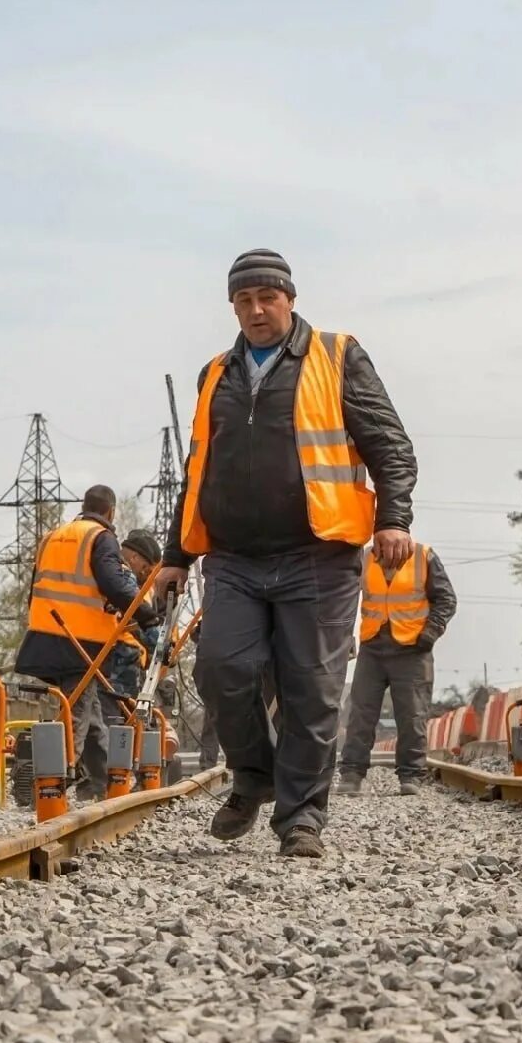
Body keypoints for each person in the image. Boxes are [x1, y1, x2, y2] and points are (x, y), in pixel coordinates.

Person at [153, 248, 417, 859]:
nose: (255, 310)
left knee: (312, 688)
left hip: (317, 555)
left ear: (289, 299)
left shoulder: (336, 354)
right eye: (243, 301)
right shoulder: (215, 373)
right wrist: (175, 553)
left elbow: (392, 445)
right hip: (236, 558)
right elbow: (199, 470)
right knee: (221, 668)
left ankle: (300, 819)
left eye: (266, 298)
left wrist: (394, 518)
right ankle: (255, 775)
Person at [18, 486, 144, 797]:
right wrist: (145, 611)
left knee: (90, 713)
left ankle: (106, 786)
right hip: (80, 638)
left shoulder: (53, 536)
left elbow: (35, 585)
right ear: (111, 512)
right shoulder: (100, 537)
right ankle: (49, 788)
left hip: (45, 634)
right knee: (76, 714)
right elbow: (112, 581)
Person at [339, 536, 457, 795]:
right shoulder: (365, 558)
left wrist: (430, 633)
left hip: (413, 650)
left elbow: (446, 599)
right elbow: (343, 599)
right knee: (360, 713)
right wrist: (345, 636)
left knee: (412, 715)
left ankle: (411, 776)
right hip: (373, 647)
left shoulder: (424, 557)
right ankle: (351, 774)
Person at [104, 531, 164, 703]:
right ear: (134, 558)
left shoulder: (107, 569)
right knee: (117, 716)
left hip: (114, 656)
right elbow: (135, 617)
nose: (146, 575)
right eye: (146, 568)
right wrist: (160, 644)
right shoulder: (124, 577)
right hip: (120, 659)